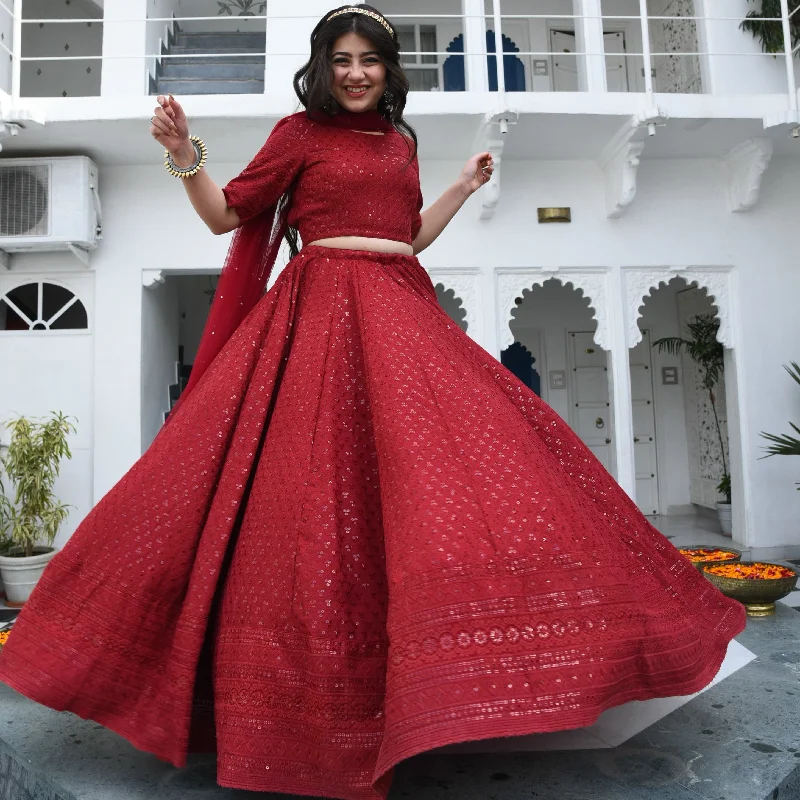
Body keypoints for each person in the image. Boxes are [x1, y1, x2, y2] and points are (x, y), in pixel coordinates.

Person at [0, 5, 745, 800]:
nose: (357, 73)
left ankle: (466, 674)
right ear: (324, 66)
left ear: (391, 69)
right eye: (343, 59)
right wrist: (186, 156)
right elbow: (227, 215)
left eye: (372, 60)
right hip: (319, 320)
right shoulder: (297, 134)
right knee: (311, 496)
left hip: (401, 313)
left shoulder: (401, 143)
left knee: (494, 466)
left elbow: (405, 238)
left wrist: (459, 185)